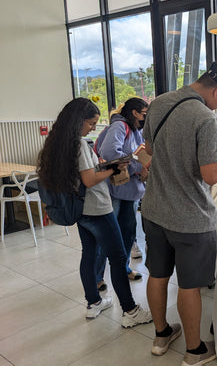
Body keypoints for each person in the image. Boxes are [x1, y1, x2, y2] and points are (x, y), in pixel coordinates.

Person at [141, 62, 217, 363]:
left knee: (157, 274)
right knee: (189, 284)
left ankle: (161, 335)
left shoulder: (159, 103)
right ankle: (194, 351)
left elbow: (148, 149)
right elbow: (211, 175)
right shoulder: (204, 118)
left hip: (154, 209)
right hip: (190, 218)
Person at [37, 98, 152, 327]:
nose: (93, 128)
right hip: (97, 208)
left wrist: (101, 167)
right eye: (91, 123)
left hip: (80, 209)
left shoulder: (57, 143)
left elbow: (82, 174)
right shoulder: (79, 144)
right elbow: (89, 179)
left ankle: (93, 303)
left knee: (89, 255)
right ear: (78, 121)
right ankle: (130, 310)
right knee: (119, 258)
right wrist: (111, 169)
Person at [94, 97, 149, 291]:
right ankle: (97, 277)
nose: (145, 117)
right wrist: (136, 167)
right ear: (134, 112)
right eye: (144, 113)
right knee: (108, 235)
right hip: (117, 190)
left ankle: (123, 268)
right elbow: (109, 152)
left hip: (132, 192)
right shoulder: (120, 126)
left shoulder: (137, 131)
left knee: (128, 233)